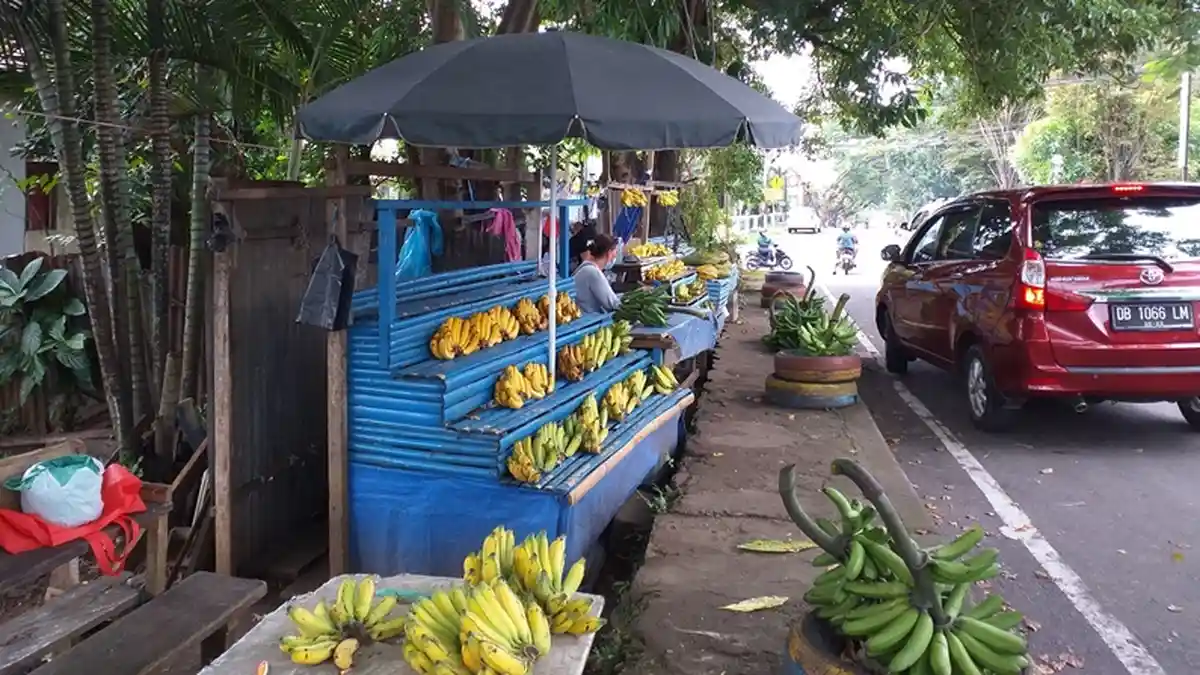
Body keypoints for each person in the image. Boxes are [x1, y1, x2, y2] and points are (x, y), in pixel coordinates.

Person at [573, 234, 621, 314]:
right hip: (588, 321)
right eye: (615, 252)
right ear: (609, 253)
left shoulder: (585, 267)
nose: (615, 255)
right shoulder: (592, 272)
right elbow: (612, 304)